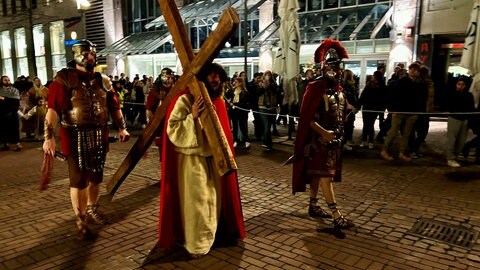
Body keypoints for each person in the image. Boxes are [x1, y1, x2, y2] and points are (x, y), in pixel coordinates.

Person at [42, 39, 130, 240]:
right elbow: (53, 109)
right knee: (79, 179)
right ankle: (80, 218)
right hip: (74, 135)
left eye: (92, 53)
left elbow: (114, 106)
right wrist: (49, 137)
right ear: (77, 55)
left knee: (96, 176)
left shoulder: (103, 80)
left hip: (99, 134)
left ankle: (92, 208)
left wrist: (122, 127)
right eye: (86, 53)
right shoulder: (64, 78)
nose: (90, 57)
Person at [157, 63, 245, 258]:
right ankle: (197, 244)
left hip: (213, 160)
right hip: (191, 161)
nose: (216, 79)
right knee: (198, 202)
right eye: (212, 75)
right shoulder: (185, 98)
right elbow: (173, 128)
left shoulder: (218, 101)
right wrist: (193, 118)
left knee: (213, 199)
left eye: (219, 76)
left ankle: (211, 236)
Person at [290, 39, 354, 230]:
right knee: (325, 176)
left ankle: (313, 204)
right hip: (319, 141)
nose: (338, 70)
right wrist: (323, 132)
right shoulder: (315, 87)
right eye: (334, 66)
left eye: (339, 66)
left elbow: (342, 110)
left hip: (334, 140)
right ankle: (336, 215)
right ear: (325, 67)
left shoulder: (338, 90)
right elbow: (306, 117)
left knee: (320, 175)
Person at [446, 77, 475, 167]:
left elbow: (471, 107)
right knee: (452, 140)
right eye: (459, 84)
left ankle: (455, 155)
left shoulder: (469, 95)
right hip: (454, 118)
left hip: (465, 120)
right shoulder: (452, 94)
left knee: (461, 141)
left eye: (462, 84)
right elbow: (449, 105)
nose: (460, 86)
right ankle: (450, 158)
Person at [0, 75, 22, 151]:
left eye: (8, 80)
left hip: (13, 112)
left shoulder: (14, 90)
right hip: (2, 112)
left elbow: (15, 102)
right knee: (4, 129)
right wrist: (8, 101)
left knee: (15, 129)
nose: (7, 81)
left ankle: (17, 144)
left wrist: (4, 99)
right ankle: (5, 144)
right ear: (2, 81)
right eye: (5, 80)